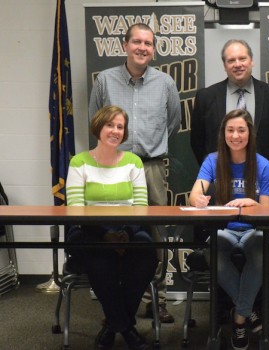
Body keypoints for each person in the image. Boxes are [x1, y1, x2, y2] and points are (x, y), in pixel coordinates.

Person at [89, 23, 181, 323]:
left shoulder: (165, 82)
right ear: (124, 45)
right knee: (114, 233)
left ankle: (158, 299)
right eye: (137, 42)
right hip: (112, 167)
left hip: (151, 166)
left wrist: (149, 146)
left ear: (154, 49)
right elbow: (96, 120)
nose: (143, 48)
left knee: (156, 234)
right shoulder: (105, 80)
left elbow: (173, 124)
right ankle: (116, 303)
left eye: (149, 43)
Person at [66, 105, 157, 350]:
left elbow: (141, 207)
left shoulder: (133, 162)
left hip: (128, 228)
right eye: (110, 125)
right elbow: (76, 209)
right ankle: (127, 329)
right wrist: (106, 235)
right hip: (89, 231)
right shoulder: (79, 162)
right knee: (100, 260)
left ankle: (112, 326)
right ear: (99, 127)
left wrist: (125, 233)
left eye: (120, 126)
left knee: (147, 252)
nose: (115, 131)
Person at [189, 109, 269, 350]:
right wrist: (197, 199)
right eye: (230, 130)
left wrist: (253, 203)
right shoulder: (212, 161)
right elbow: (194, 194)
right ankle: (248, 312)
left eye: (241, 130)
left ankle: (239, 319)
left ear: (250, 133)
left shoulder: (263, 164)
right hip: (223, 230)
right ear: (223, 134)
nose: (235, 135)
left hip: (253, 231)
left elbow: (268, 209)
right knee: (213, 254)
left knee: (260, 255)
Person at [191, 39, 269, 180]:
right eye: (231, 60)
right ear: (224, 66)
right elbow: (197, 142)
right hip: (219, 178)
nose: (237, 64)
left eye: (242, 58)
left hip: (262, 179)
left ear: (251, 61)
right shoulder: (205, 97)